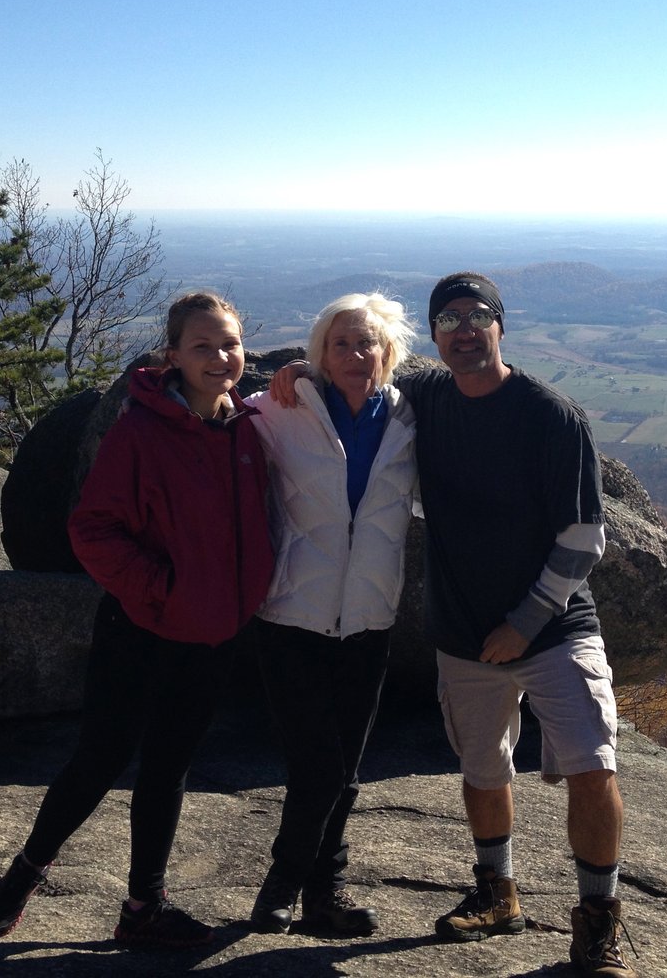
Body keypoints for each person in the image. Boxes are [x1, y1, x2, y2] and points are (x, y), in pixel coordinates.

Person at [271, 272, 635, 976]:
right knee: (483, 769)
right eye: (449, 320)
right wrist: (300, 372)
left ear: (501, 325)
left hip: (554, 628)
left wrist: (525, 622)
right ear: (434, 336)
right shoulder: (427, 398)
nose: (464, 330)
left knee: (593, 767)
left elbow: (583, 537)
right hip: (464, 634)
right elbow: (360, 367)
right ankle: (497, 895)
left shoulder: (550, 415)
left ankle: (599, 923)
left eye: (477, 316)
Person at [0, 290, 275, 949]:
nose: (220, 356)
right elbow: (92, 529)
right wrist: (160, 590)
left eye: (229, 343)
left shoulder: (247, 430)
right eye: (202, 346)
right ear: (173, 356)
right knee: (100, 759)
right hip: (141, 628)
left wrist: (241, 596)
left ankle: (144, 906)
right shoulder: (141, 430)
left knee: (169, 769)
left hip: (213, 633)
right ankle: (28, 867)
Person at [243, 292, 418, 936]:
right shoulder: (282, 408)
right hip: (291, 615)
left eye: (366, 342)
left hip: (368, 620)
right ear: (319, 353)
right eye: (339, 343)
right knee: (318, 766)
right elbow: (213, 411)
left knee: (344, 770)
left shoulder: (408, 419)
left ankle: (324, 895)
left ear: (388, 351)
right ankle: (282, 885)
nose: (354, 353)